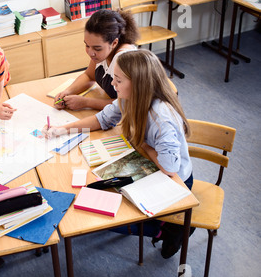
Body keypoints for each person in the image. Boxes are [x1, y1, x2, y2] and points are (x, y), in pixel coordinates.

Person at [44, 49, 194, 259]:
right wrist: (63, 129)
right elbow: (102, 120)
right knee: (95, 195)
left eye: (118, 80)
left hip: (176, 179)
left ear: (138, 84)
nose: (113, 85)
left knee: (112, 220)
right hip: (147, 161)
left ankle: (168, 229)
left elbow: (170, 168)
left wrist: (143, 144)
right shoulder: (128, 97)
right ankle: (161, 224)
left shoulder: (162, 119)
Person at [54, 9, 139, 111]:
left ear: (114, 43)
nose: (90, 53)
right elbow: (89, 76)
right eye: (87, 45)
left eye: (97, 48)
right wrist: (68, 92)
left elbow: (128, 104)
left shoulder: (124, 58)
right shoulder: (102, 53)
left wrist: (86, 102)